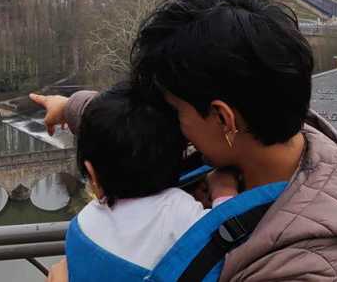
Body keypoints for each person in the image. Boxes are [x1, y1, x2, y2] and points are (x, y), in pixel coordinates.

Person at [38, 0, 337, 281]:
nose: (166, 125)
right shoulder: (258, 128)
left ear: (224, 119)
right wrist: (71, 107)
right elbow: (131, 131)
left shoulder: (308, 266)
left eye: (174, 112)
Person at [34, 84, 238, 281]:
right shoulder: (181, 213)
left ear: (92, 175)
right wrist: (224, 190)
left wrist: (70, 106)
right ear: (181, 153)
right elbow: (231, 239)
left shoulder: (83, 223)